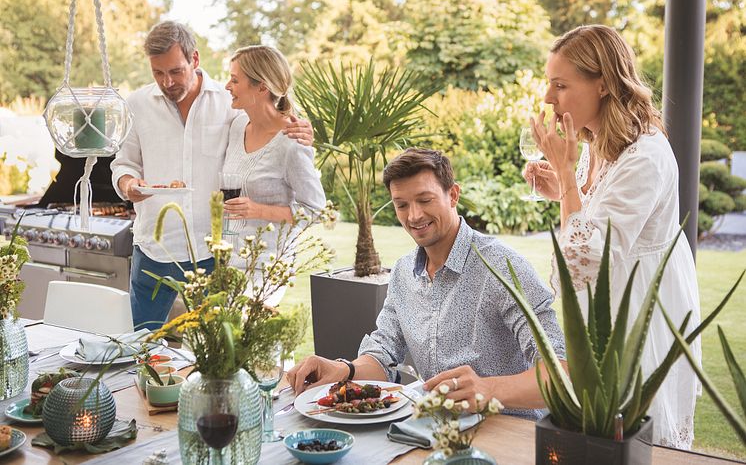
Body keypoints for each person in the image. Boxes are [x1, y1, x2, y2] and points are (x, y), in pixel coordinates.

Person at [288, 148, 566, 419]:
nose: (414, 216)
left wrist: (487, 389)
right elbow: (383, 355)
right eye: (402, 205)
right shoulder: (402, 272)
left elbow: (561, 372)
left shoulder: (503, 268)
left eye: (425, 200)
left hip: (509, 434)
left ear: (453, 195)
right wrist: (344, 369)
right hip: (436, 433)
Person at [523, 24, 700, 448]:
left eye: (561, 85)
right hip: (610, 305)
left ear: (602, 83)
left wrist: (565, 173)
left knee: (632, 441)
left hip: (640, 313)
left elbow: (580, 260)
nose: (549, 98)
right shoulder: (600, 142)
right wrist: (564, 188)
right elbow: (595, 215)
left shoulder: (646, 154)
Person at [111, 21, 314, 329]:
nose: (167, 82)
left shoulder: (229, 103)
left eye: (175, 71)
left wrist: (301, 131)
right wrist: (128, 183)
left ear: (194, 59)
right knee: (140, 343)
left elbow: (268, 125)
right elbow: (123, 162)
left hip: (212, 254)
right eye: (158, 73)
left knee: (214, 356)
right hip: (153, 247)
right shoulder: (137, 104)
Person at [222, 45, 326, 305]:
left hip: (267, 267)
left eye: (235, 80)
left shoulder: (291, 142)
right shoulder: (237, 126)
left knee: (246, 342)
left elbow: (315, 210)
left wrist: (258, 210)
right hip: (229, 261)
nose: (227, 86)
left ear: (261, 87)